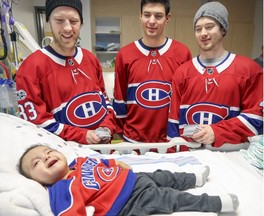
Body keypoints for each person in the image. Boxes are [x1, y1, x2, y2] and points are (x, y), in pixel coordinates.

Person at [18, 144, 239, 215]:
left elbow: (103, 163)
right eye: (36, 163)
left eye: (48, 152)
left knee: (164, 175)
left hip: (132, 178)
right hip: (130, 202)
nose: (46, 157)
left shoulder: (81, 161)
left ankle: (194, 177)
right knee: (171, 198)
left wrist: (116, 164)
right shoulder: (60, 191)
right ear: (36, 181)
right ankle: (217, 203)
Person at [16, 0, 116, 144]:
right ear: (48, 21)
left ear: (81, 23)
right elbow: (36, 124)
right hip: (66, 156)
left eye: (74, 21)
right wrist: (82, 135)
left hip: (104, 149)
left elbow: (105, 101)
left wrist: (107, 127)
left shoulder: (90, 59)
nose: (68, 28)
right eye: (59, 20)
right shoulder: (31, 68)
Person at [167, 2, 263, 150]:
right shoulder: (182, 73)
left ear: (223, 29)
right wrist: (174, 155)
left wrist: (218, 131)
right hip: (190, 156)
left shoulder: (248, 70)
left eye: (209, 27)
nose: (203, 33)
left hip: (231, 156)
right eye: (198, 29)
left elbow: (256, 118)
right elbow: (173, 123)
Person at [112, 0, 192, 144]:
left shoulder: (182, 53)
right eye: (147, 15)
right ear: (140, 16)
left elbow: (186, 100)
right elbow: (120, 98)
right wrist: (120, 133)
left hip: (169, 142)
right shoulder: (125, 54)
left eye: (158, 16)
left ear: (168, 18)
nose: (152, 21)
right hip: (133, 141)